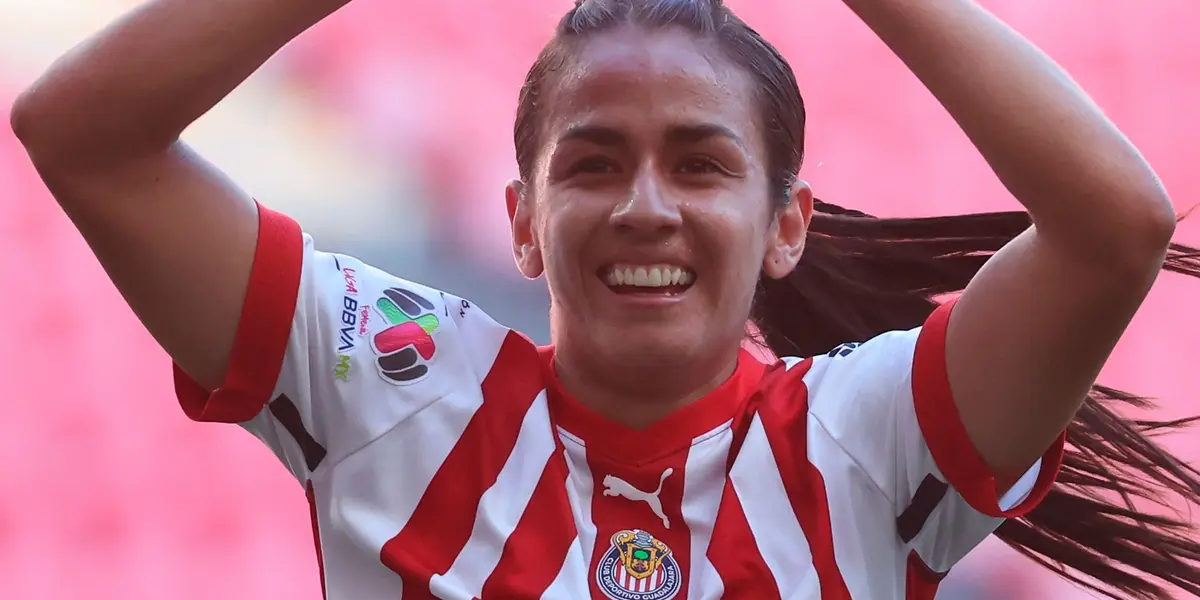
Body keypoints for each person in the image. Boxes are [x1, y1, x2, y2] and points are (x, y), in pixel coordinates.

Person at [10, 0, 1200, 598]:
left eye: (700, 163)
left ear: (787, 224)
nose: (644, 205)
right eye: (590, 162)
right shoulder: (395, 387)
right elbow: (83, 135)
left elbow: (1117, 227)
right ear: (522, 224)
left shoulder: (869, 440)